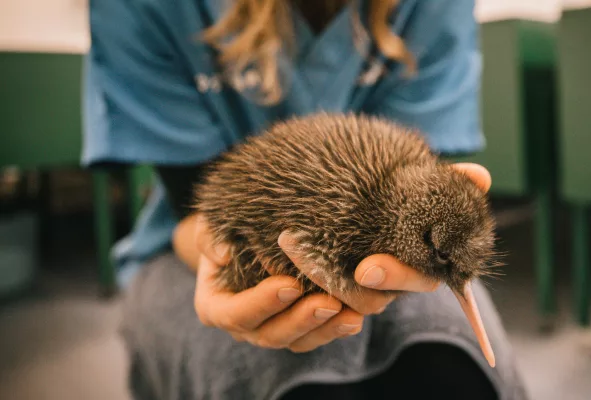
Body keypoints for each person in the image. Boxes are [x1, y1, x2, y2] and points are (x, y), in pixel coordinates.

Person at [83, 0, 528, 398]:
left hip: (392, 239)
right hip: (189, 236)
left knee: (452, 361)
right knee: (277, 375)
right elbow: (200, 203)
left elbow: (422, 191)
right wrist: (216, 250)